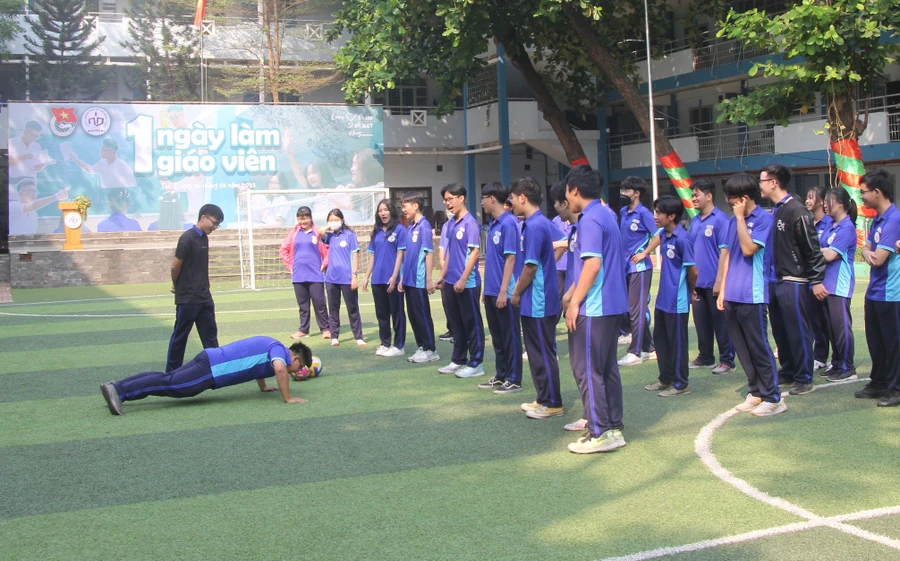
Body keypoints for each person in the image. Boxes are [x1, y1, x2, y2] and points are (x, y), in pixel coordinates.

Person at [563, 165, 628, 453]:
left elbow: (593, 264)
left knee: (587, 369)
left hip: (596, 306)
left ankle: (599, 431)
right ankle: (612, 427)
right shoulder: (606, 214)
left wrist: (575, 302)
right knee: (605, 368)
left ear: (574, 190)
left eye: (566, 191)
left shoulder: (590, 219)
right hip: (611, 304)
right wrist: (571, 294)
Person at [100, 337, 312, 415]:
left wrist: (263, 386)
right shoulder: (280, 351)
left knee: (168, 378)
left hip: (209, 359)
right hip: (213, 369)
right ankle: (119, 392)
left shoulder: (272, 347)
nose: (297, 371)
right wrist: (288, 398)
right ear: (296, 359)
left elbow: (257, 363)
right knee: (175, 386)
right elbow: (280, 369)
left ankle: (117, 386)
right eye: (300, 367)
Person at [716, 173, 784, 417]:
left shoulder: (763, 219)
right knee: (742, 348)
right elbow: (727, 256)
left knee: (758, 346)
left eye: (732, 199)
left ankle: (773, 397)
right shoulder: (731, 221)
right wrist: (722, 291)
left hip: (752, 294)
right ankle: (755, 391)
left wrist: (739, 219)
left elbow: (747, 250)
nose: (730, 204)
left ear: (744, 198)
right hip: (732, 293)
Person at [760, 164, 826, 396]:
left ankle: (804, 376)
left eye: (762, 181)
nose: (760, 185)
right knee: (780, 330)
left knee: (798, 329)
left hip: (794, 280)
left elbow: (812, 249)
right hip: (776, 280)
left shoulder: (796, 210)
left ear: (774, 183)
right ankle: (788, 370)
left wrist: (816, 279)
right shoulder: (778, 210)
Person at [510, 177, 564, 416]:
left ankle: (553, 403)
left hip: (540, 301)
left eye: (512, 198)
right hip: (535, 301)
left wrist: (516, 291)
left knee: (543, 352)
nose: (511, 203)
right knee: (535, 352)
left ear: (522, 197)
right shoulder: (533, 223)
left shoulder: (536, 225)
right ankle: (543, 397)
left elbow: (531, 267)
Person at [643, 195, 698, 397]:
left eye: (659, 213)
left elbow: (692, 271)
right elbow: (657, 237)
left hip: (677, 301)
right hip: (663, 300)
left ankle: (680, 383)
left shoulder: (683, 239)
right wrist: (644, 253)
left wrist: (692, 291)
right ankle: (665, 378)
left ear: (672, 216)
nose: (655, 216)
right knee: (661, 341)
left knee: (677, 343)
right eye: (655, 211)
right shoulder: (664, 234)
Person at [857, 169, 900, 407]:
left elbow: (877, 258)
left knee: (892, 342)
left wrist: (868, 251)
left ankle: (895, 388)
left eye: (863, 192)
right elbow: (867, 248)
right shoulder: (877, 220)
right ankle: (879, 381)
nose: (861, 196)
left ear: (877, 192)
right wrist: (867, 251)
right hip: (875, 291)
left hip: (891, 293)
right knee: (875, 340)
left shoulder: (894, 220)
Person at [166, 204, 224, 373]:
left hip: (204, 297)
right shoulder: (187, 238)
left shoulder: (204, 238)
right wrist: (177, 286)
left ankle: (217, 371)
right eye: (214, 222)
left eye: (217, 224)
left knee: (210, 336)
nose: (214, 227)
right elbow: (175, 267)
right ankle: (171, 373)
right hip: (188, 298)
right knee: (180, 337)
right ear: (203, 217)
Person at [434, 183, 485, 377]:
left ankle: (476, 363)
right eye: (445, 200)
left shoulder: (470, 223)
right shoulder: (452, 224)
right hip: (451, 282)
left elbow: (474, 253)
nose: (448, 203)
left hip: (467, 283)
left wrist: (463, 279)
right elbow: (450, 256)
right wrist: (441, 277)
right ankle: (458, 360)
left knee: (472, 324)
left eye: (451, 199)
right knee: (456, 324)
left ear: (461, 198)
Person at [476, 182, 522, 392]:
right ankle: (501, 373)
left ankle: (514, 378)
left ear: (492, 198)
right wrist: (488, 290)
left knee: (510, 335)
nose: (482, 203)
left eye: (483, 198)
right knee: (497, 336)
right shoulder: (494, 224)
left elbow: (510, 259)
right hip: (492, 291)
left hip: (506, 291)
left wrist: (504, 291)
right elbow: (493, 262)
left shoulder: (509, 223)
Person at [687, 180, 735, 375]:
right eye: (692, 195)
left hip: (715, 283)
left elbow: (726, 252)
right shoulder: (695, 221)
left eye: (697, 194)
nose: (693, 198)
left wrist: (720, 280)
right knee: (701, 323)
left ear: (709, 196)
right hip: (698, 282)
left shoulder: (721, 220)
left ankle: (727, 360)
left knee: (721, 324)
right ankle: (705, 356)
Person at [815, 188, 858, 382]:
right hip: (826, 285)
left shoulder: (847, 227)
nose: (825, 204)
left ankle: (847, 367)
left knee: (841, 328)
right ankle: (837, 363)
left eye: (828, 200)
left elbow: (830, 255)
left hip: (839, 285)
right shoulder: (832, 225)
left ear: (840, 203)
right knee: (831, 328)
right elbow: (821, 250)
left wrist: (819, 251)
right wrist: (821, 250)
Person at [618, 176, 659, 366]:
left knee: (636, 310)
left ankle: (635, 352)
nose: (623, 193)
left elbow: (659, 235)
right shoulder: (624, 212)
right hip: (625, 267)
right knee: (630, 309)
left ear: (637, 193)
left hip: (639, 268)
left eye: (627, 190)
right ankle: (650, 348)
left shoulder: (644, 214)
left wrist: (645, 253)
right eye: (623, 189)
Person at [399, 191, 440, 363]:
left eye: (405, 206)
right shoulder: (410, 227)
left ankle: (431, 349)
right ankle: (422, 346)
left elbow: (429, 253)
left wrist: (428, 279)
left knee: (422, 314)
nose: (403, 210)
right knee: (413, 315)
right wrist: (402, 278)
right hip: (408, 280)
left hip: (419, 280)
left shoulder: (423, 226)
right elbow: (408, 255)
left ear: (415, 206)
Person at [364, 199, 408, 357]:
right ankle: (385, 343)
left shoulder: (400, 230)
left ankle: (399, 345)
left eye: (386, 210)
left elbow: (400, 254)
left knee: (397, 313)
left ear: (391, 211)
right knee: (382, 314)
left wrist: (395, 277)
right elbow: (372, 256)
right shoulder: (376, 232)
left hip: (393, 280)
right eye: (380, 210)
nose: (383, 213)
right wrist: (367, 276)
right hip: (378, 280)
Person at [280, 206, 331, 340]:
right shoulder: (293, 234)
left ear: (310, 218)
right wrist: (290, 266)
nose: (303, 222)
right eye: (300, 219)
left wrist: (325, 263)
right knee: (303, 305)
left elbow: (328, 248)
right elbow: (283, 249)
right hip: (298, 275)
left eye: (305, 219)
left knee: (319, 303)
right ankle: (304, 329)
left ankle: (325, 328)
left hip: (315, 274)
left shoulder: (317, 232)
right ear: (297, 219)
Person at [318, 209, 365, 347]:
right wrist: (329, 226)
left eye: (336, 220)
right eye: (330, 220)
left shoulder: (350, 235)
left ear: (342, 220)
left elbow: (355, 255)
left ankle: (358, 336)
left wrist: (354, 276)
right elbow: (320, 233)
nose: (333, 222)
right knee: (333, 309)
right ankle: (334, 336)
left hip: (347, 278)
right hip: (331, 278)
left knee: (353, 308)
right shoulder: (330, 236)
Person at [806, 185, 833, 372]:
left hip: (827, 281)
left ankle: (839, 358)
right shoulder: (807, 223)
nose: (807, 200)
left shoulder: (830, 223)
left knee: (831, 323)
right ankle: (820, 356)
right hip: (811, 282)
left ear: (822, 202)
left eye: (811, 197)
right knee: (816, 322)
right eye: (806, 197)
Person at [71, 137, 138, 192]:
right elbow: (90, 170)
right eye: (101, 149)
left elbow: (131, 187)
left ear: (111, 151)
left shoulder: (123, 166)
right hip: (107, 197)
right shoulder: (103, 163)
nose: (101, 152)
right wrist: (75, 159)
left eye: (103, 150)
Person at [550, 181, 575, 323]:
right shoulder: (556, 221)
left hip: (572, 267)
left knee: (570, 297)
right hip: (560, 267)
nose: (554, 206)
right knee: (558, 296)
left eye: (556, 202)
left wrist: (555, 244)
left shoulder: (584, 222)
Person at [9, 120, 48, 190]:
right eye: (33, 135)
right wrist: (25, 157)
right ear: (25, 131)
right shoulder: (11, 143)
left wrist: (40, 166)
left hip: (31, 180)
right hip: (14, 180)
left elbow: (36, 168)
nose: (34, 139)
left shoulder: (37, 146)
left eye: (37, 136)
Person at [436, 209, 454, 343]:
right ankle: (452, 330)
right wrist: (443, 263)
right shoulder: (446, 226)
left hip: (459, 271)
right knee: (447, 302)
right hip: (446, 270)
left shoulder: (468, 223)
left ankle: (463, 333)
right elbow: (442, 246)